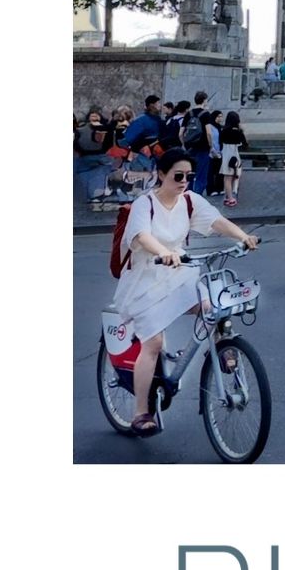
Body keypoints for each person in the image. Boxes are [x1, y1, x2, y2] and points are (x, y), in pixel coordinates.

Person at [107, 146, 258, 433]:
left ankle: (221, 348)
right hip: (145, 278)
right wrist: (164, 252)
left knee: (211, 307)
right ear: (161, 174)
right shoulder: (145, 204)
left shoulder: (189, 200)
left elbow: (216, 221)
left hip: (178, 271)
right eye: (178, 176)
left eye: (189, 175)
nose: (184, 181)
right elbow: (142, 236)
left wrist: (243, 236)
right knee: (152, 344)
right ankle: (141, 412)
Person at [181, 92, 219, 195]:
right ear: (204, 100)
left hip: (189, 147)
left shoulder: (188, 114)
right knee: (201, 174)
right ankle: (197, 196)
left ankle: (187, 194)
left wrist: (184, 144)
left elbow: (180, 133)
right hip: (203, 147)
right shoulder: (206, 114)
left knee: (190, 172)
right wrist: (211, 146)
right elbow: (209, 133)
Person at [74, 107, 111, 202]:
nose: (94, 117)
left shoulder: (106, 129)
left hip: (100, 158)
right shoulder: (81, 130)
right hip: (85, 158)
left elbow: (109, 143)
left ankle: (96, 195)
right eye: (92, 115)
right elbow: (76, 144)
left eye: (96, 115)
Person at [217, 110, 248, 208]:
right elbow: (245, 145)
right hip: (235, 154)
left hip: (226, 154)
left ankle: (228, 197)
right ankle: (231, 197)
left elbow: (220, 142)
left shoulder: (224, 130)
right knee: (234, 176)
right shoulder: (238, 131)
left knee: (227, 177)